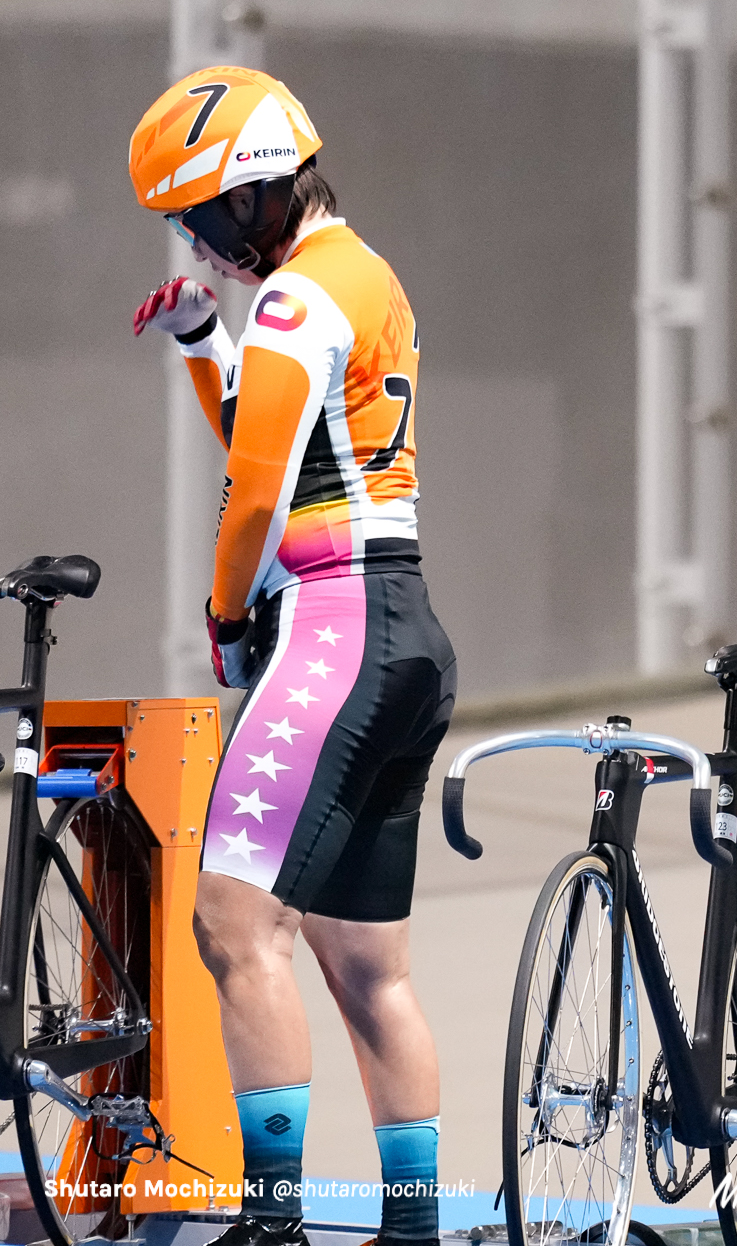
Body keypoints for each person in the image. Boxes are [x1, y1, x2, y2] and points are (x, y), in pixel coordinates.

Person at [129, 67, 455, 1246]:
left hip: (334, 616)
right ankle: (408, 1225)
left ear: (264, 195)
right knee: (366, 963)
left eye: (208, 217)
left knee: (233, 919)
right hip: (401, 624)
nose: (201, 243)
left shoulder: (298, 298)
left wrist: (221, 615)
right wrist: (199, 340)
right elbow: (277, 429)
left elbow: (259, 484)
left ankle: (271, 1225)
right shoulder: (350, 278)